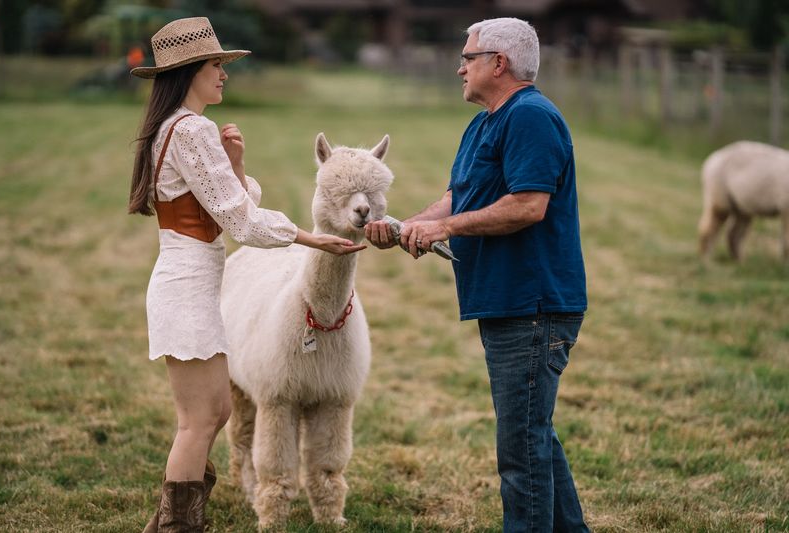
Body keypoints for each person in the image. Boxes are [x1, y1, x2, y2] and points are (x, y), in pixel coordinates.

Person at [128, 17, 364, 532]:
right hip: (187, 284)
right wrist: (309, 237)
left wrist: (234, 165)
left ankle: (168, 520)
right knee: (199, 421)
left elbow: (228, 203)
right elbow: (241, 221)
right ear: (189, 70)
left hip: (195, 281)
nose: (224, 74)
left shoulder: (180, 128)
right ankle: (178, 526)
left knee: (214, 412)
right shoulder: (190, 130)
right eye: (216, 65)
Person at [365, 18, 589, 533]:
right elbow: (456, 198)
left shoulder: (530, 117)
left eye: (468, 57)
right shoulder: (486, 121)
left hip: (532, 305)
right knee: (534, 435)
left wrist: (443, 226)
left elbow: (529, 205)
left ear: (499, 63)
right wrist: (406, 226)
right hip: (505, 301)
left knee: (521, 452)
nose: (459, 66)